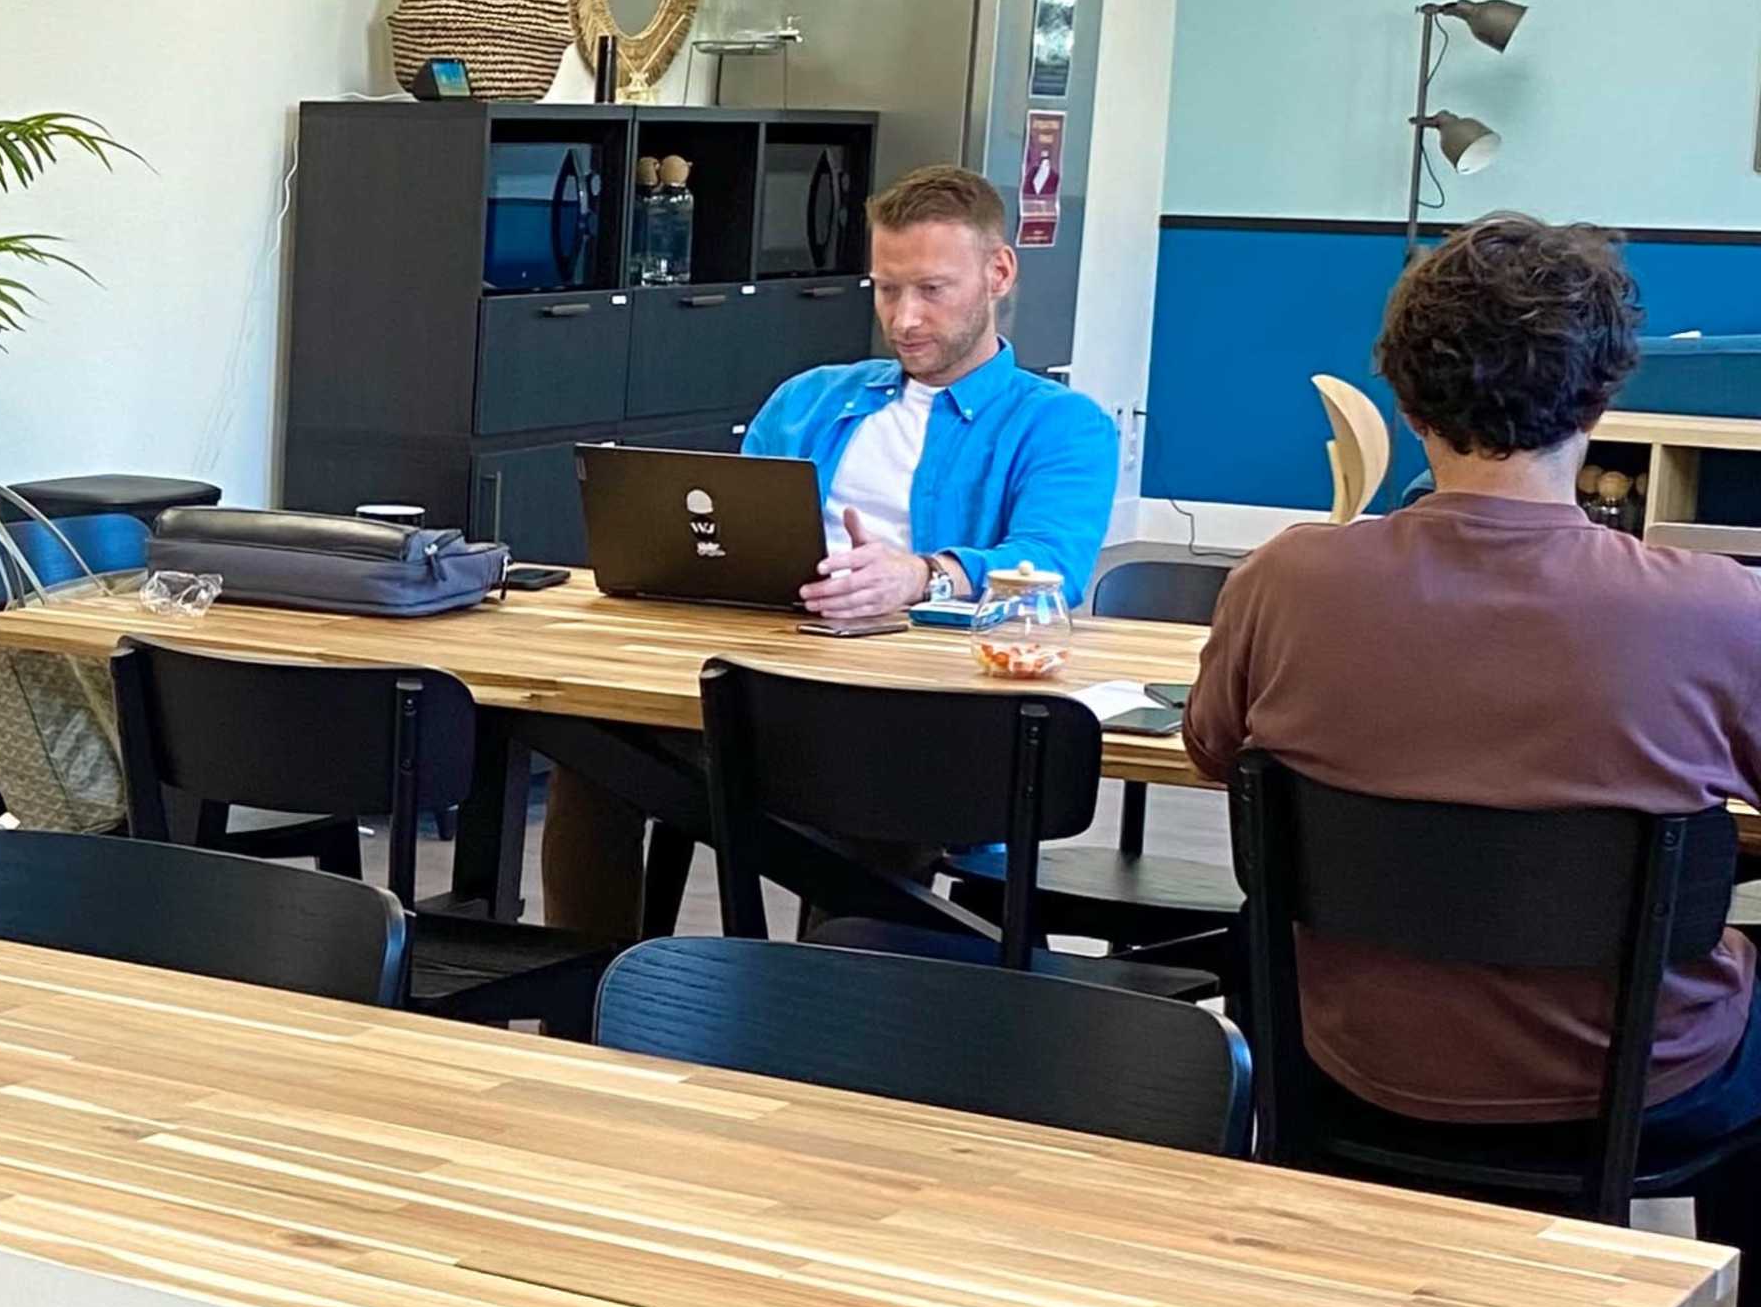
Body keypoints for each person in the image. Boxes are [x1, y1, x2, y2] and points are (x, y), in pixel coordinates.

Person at [1184, 212, 1761, 1167]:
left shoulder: (1280, 582)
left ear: (1407, 400)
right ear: (1602, 400)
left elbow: (1212, 752)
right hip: (1648, 1081)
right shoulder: (1719, 611)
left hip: (1349, 1059)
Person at [540, 160, 1121, 936]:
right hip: (765, 697)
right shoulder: (810, 398)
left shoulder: (1061, 425)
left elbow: (1051, 566)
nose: (905, 317)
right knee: (592, 745)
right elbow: (729, 544)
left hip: (921, 724)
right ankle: (588, 1010)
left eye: (932, 290)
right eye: (886, 289)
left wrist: (916, 576)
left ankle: (827, 1019)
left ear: (999, 273)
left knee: (872, 796)